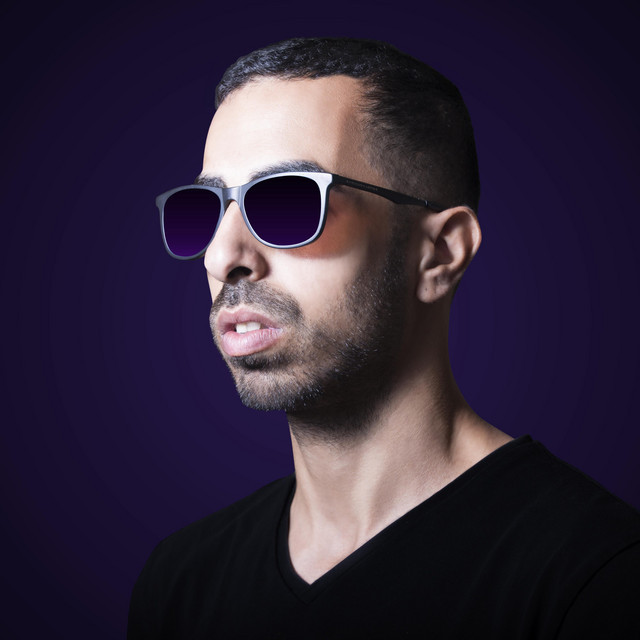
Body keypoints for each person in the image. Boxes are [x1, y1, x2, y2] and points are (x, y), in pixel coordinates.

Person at [128, 38, 640, 639]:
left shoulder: (596, 578)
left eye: (287, 202)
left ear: (439, 253)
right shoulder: (181, 583)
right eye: (206, 209)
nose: (223, 256)